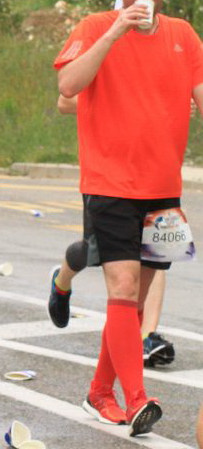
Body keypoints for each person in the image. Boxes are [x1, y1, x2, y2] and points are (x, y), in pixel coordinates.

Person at [51, 0, 202, 435]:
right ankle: (137, 399)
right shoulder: (96, 26)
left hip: (162, 190)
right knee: (121, 288)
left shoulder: (183, 35)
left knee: (135, 301)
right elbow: (68, 85)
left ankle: (100, 391)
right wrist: (116, 30)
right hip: (109, 183)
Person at [50, 95, 175, 370]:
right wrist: (132, 105)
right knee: (90, 252)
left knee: (153, 259)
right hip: (111, 180)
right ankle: (61, 282)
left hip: (157, 176)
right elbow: (65, 102)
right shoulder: (107, 65)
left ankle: (146, 335)